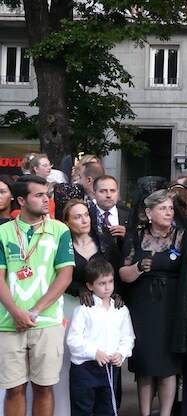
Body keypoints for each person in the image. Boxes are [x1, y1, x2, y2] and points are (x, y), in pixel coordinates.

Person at [0, 175, 75, 416]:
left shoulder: (59, 230)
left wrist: (34, 312)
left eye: (47, 194)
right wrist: (16, 312)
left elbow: (65, 276)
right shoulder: (3, 232)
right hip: (9, 322)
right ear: (21, 200)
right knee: (14, 389)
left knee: (44, 388)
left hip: (47, 321)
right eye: (39, 195)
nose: (47, 200)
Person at [54, 198, 123, 416]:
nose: (84, 220)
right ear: (66, 221)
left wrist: (118, 295)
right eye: (77, 216)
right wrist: (77, 288)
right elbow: (55, 275)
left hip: (102, 309)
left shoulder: (104, 243)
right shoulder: (61, 245)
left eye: (86, 215)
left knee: (105, 355)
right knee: (71, 361)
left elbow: (116, 272)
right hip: (72, 307)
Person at [119, 185, 183, 416]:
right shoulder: (137, 235)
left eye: (170, 208)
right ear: (149, 212)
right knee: (145, 364)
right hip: (143, 305)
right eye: (163, 208)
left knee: (167, 366)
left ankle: (165, 413)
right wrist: (138, 267)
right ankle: (144, 412)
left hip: (171, 304)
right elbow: (123, 274)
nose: (169, 212)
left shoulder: (180, 235)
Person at [66, 258, 135, 416]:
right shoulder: (83, 310)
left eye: (110, 282)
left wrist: (121, 353)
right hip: (85, 369)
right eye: (102, 283)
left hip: (109, 368)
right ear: (90, 286)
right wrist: (94, 352)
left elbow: (128, 337)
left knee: (107, 409)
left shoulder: (121, 310)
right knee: (83, 410)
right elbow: (73, 339)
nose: (107, 287)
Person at [93, 175, 129, 254]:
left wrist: (126, 238)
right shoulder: (87, 216)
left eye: (113, 191)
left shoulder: (128, 218)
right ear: (94, 194)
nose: (109, 195)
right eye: (103, 191)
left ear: (118, 193)